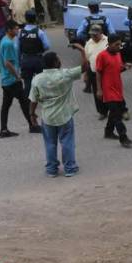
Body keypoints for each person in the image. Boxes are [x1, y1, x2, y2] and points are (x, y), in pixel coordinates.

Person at [29, 45, 89, 178]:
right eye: (58, 59)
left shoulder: (37, 79)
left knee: (50, 143)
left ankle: (51, 169)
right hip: (65, 116)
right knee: (67, 142)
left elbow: (33, 100)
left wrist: (32, 114)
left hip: (48, 118)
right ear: (56, 63)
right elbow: (85, 67)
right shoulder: (65, 74)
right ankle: (70, 168)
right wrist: (82, 50)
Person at [0, 21, 41, 137]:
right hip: (11, 80)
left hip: (5, 79)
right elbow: (8, 63)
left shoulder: (4, 40)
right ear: (9, 30)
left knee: (6, 105)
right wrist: (17, 76)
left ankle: (4, 129)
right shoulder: (8, 44)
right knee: (24, 102)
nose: (17, 31)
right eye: (15, 29)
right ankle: (32, 125)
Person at [95, 34, 132, 147]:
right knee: (117, 115)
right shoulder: (102, 56)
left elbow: (117, 69)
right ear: (109, 44)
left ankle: (108, 132)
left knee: (113, 113)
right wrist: (99, 89)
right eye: (116, 44)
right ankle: (123, 137)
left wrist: (125, 67)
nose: (119, 47)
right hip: (108, 90)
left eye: (120, 44)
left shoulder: (118, 54)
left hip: (118, 89)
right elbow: (98, 73)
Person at [17, 10, 50, 98]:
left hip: (26, 59)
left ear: (26, 19)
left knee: (27, 82)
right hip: (38, 59)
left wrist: (19, 61)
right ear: (35, 19)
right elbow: (47, 46)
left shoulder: (20, 32)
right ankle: (42, 98)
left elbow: (18, 48)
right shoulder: (40, 32)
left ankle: (27, 101)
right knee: (41, 80)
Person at [84, 25, 109, 118]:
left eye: (95, 35)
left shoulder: (107, 41)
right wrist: (86, 73)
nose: (93, 37)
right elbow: (87, 60)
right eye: (92, 35)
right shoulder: (89, 43)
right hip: (94, 72)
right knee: (97, 93)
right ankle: (102, 112)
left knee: (110, 92)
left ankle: (118, 110)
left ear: (101, 33)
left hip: (107, 72)